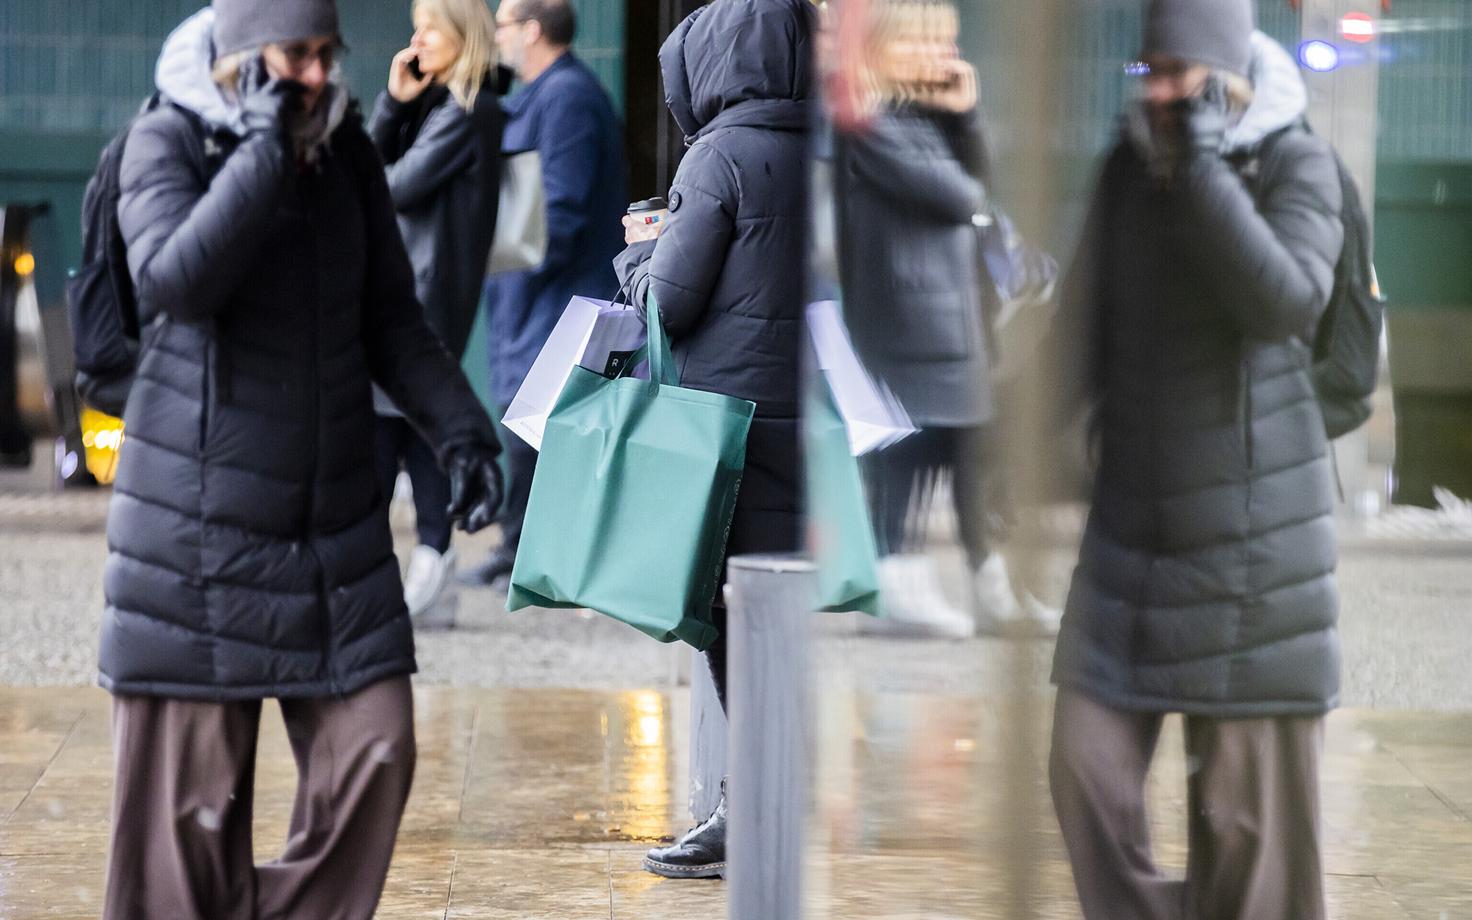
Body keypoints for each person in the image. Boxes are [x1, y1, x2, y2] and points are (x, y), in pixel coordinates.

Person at [99, 2, 503, 918]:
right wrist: (259, 150)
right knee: (183, 843)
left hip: (330, 531)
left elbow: (392, 317)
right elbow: (177, 282)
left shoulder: (347, 152)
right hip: (191, 537)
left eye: (327, 56)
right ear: (239, 59)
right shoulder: (163, 140)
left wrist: (461, 430)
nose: (317, 77)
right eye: (294, 58)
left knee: (377, 748)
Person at [1046, 2, 1344, 917]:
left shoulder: (1298, 162)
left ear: (1228, 75)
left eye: (1182, 73)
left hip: (1258, 542)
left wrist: (1208, 166)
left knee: (1248, 833)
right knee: (1083, 771)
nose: (1163, 92)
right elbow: (1080, 327)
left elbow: (1288, 301)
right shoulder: (1129, 167)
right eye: (1152, 73)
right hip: (1133, 533)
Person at [614, 0, 812, 880]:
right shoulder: (835, 146)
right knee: (782, 621)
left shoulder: (721, 154)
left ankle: (749, 811)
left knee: (729, 624)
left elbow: (671, 302)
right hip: (813, 424)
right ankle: (775, 800)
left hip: (732, 428)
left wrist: (639, 254)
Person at [834, 0, 1060, 640]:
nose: (942, 56)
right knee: (911, 453)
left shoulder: (922, 118)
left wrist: (965, 118)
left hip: (950, 314)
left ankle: (989, 584)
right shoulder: (869, 122)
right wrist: (958, 124)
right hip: (907, 319)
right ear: (884, 48)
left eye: (947, 42)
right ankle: (896, 579)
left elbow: (977, 180)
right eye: (925, 43)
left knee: (968, 451)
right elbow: (962, 195)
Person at [459, 0, 627, 588]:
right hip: (533, 295)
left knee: (544, 425)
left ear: (531, 31)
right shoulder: (547, 95)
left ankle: (535, 559)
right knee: (528, 423)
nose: (497, 37)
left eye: (503, 25)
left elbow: (561, 210)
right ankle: (517, 551)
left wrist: (507, 263)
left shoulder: (567, 99)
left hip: (559, 297)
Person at [368, 0, 506, 627]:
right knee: (408, 425)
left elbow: (384, 186)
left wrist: (399, 112)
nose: (417, 39)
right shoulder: (441, 104)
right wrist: (396, 102)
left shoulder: (468, 112)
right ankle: (429, 561)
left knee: (408, 423)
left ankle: (431, 558)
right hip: (416, 291)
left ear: (462, 38)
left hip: (425, 296)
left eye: (430, 29)